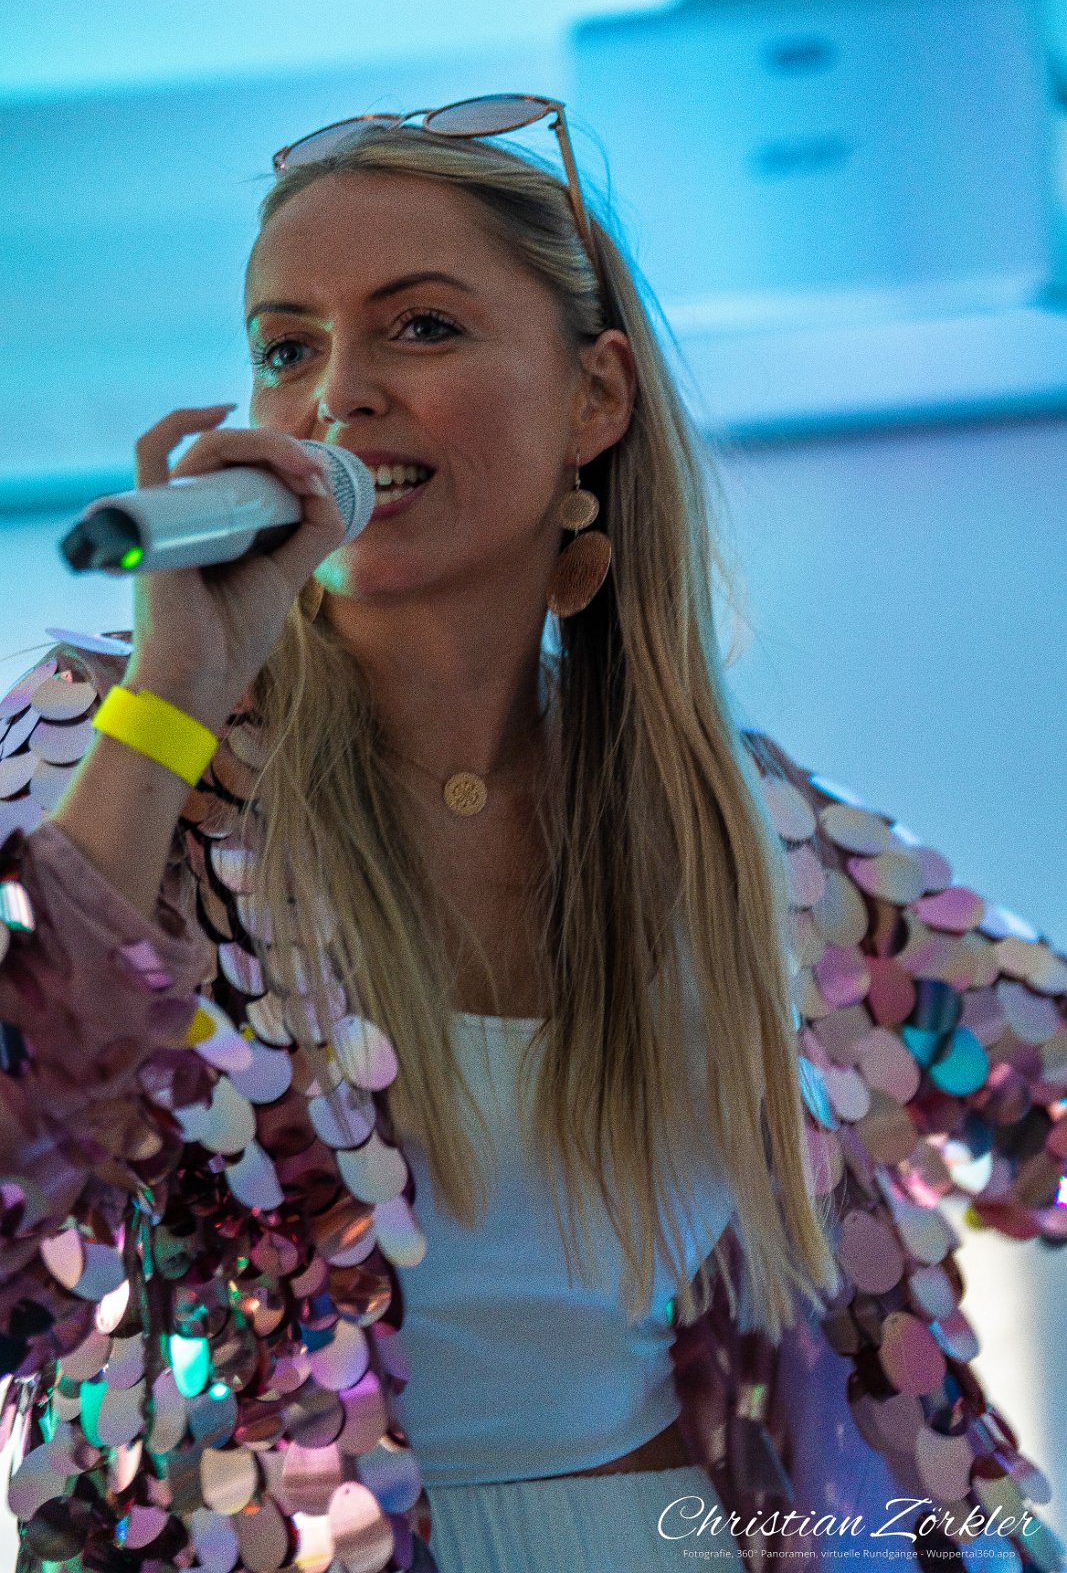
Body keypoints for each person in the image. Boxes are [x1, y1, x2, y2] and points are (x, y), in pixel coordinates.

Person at [0, 97, 1063, 1573]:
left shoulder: (735, 817)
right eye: (287, 348)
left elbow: (1041, 1085)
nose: (338, 394)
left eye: (421, 327)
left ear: (595, 396)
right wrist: (174, 702)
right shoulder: (109, 741)